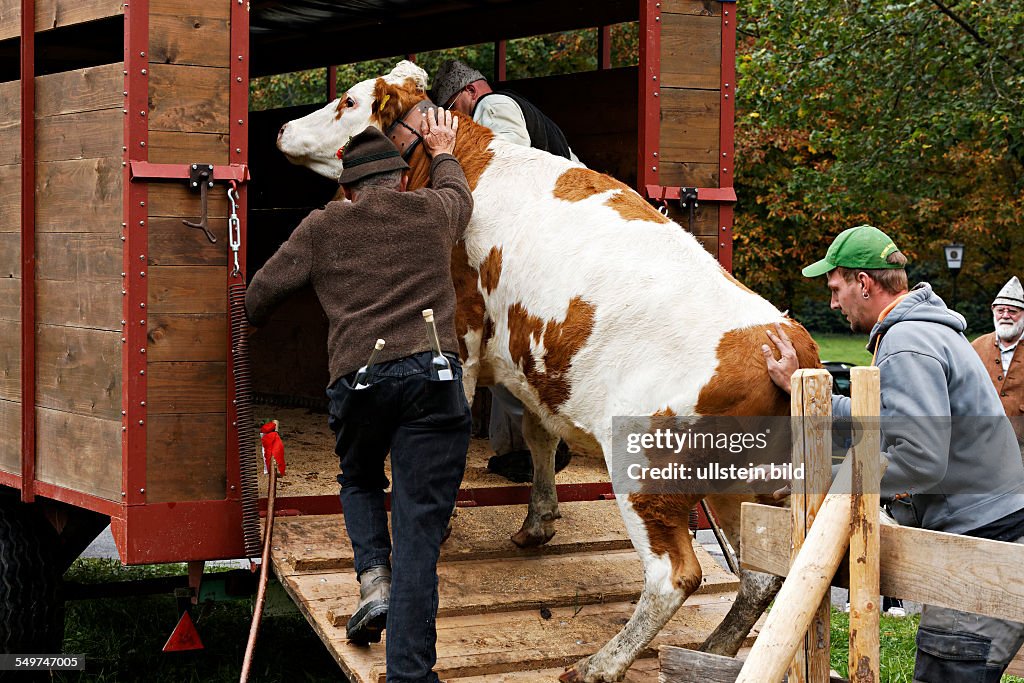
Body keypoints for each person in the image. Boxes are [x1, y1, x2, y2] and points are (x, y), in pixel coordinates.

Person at [245, 110, 473, 682]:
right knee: (419, 530)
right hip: (434, 380)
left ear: (345, 188)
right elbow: (457, 193)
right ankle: (410, 675)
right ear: (399, 179)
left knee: (361, 479)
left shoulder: (322, 227)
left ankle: (373, 577)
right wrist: (443, 147)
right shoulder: (430, 210)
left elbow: (258, 297)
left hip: (362, 383)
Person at [762, 224, 1024, 681]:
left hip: (985, 539)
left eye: (835, 288)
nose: (832, 302)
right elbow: (887, 415)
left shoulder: (908, 343)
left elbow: (921, 458)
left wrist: (832, 478)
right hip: (995, 521)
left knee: (949, 669)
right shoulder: (923, 332)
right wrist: (806, 391)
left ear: (864, 283)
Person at [431, 59, 575, 481]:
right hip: (553, 230)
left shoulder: (492, 106)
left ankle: (526, 450)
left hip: (531, 239)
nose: (455, 123)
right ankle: (518, 449)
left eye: (454, 109)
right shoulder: (527, 111)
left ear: (470, 92)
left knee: (510, 343)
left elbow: (504, 168)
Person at [972, 276, 1024, 449]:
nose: (1005, 316)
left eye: (1013, 311)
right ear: (993, 311)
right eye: (1000, 310)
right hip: (982, 442)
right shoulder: (976, 346)